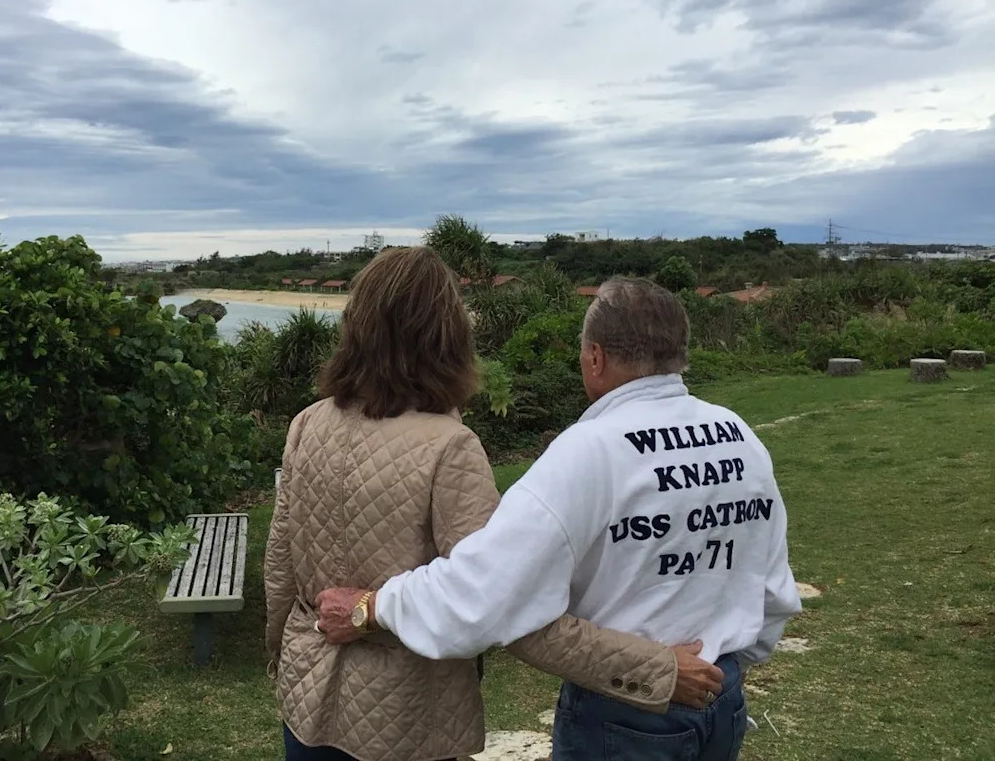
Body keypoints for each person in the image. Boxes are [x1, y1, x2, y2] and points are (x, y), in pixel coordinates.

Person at [316, 276, 802, 761]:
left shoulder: (589, 451)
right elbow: (772, 586)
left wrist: (375, 606)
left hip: (626, 715)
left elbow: (486, 588)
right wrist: (729, 661)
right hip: (721, 697)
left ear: (596, 357)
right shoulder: (738, 436)